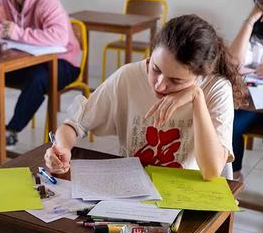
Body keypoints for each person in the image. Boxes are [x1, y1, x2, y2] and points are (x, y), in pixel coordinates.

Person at [44, 14, 246, 183]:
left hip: (187, 195)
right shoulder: (129, 76)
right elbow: (74, 125)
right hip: (133, 189)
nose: (159, 84)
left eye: (175, 81)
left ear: (200, 75)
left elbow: (211, 172)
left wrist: (196, 97)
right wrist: (61, 147)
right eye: (155, 69)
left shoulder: (216, 89)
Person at [0, 0, 80, 148]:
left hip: (62, 62)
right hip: (26, 60)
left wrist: (18, 33)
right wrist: (1, 30)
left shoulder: (47, 2)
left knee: (37, 78)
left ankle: (11, 131)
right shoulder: (4, 2)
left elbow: (59, 37)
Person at [229, 0, 263, 206]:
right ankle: (234, 176)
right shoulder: (261, 26)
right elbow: (233, 63)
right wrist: (250, 20)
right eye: (261, 3)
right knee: (231, 126)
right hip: (256, 101)